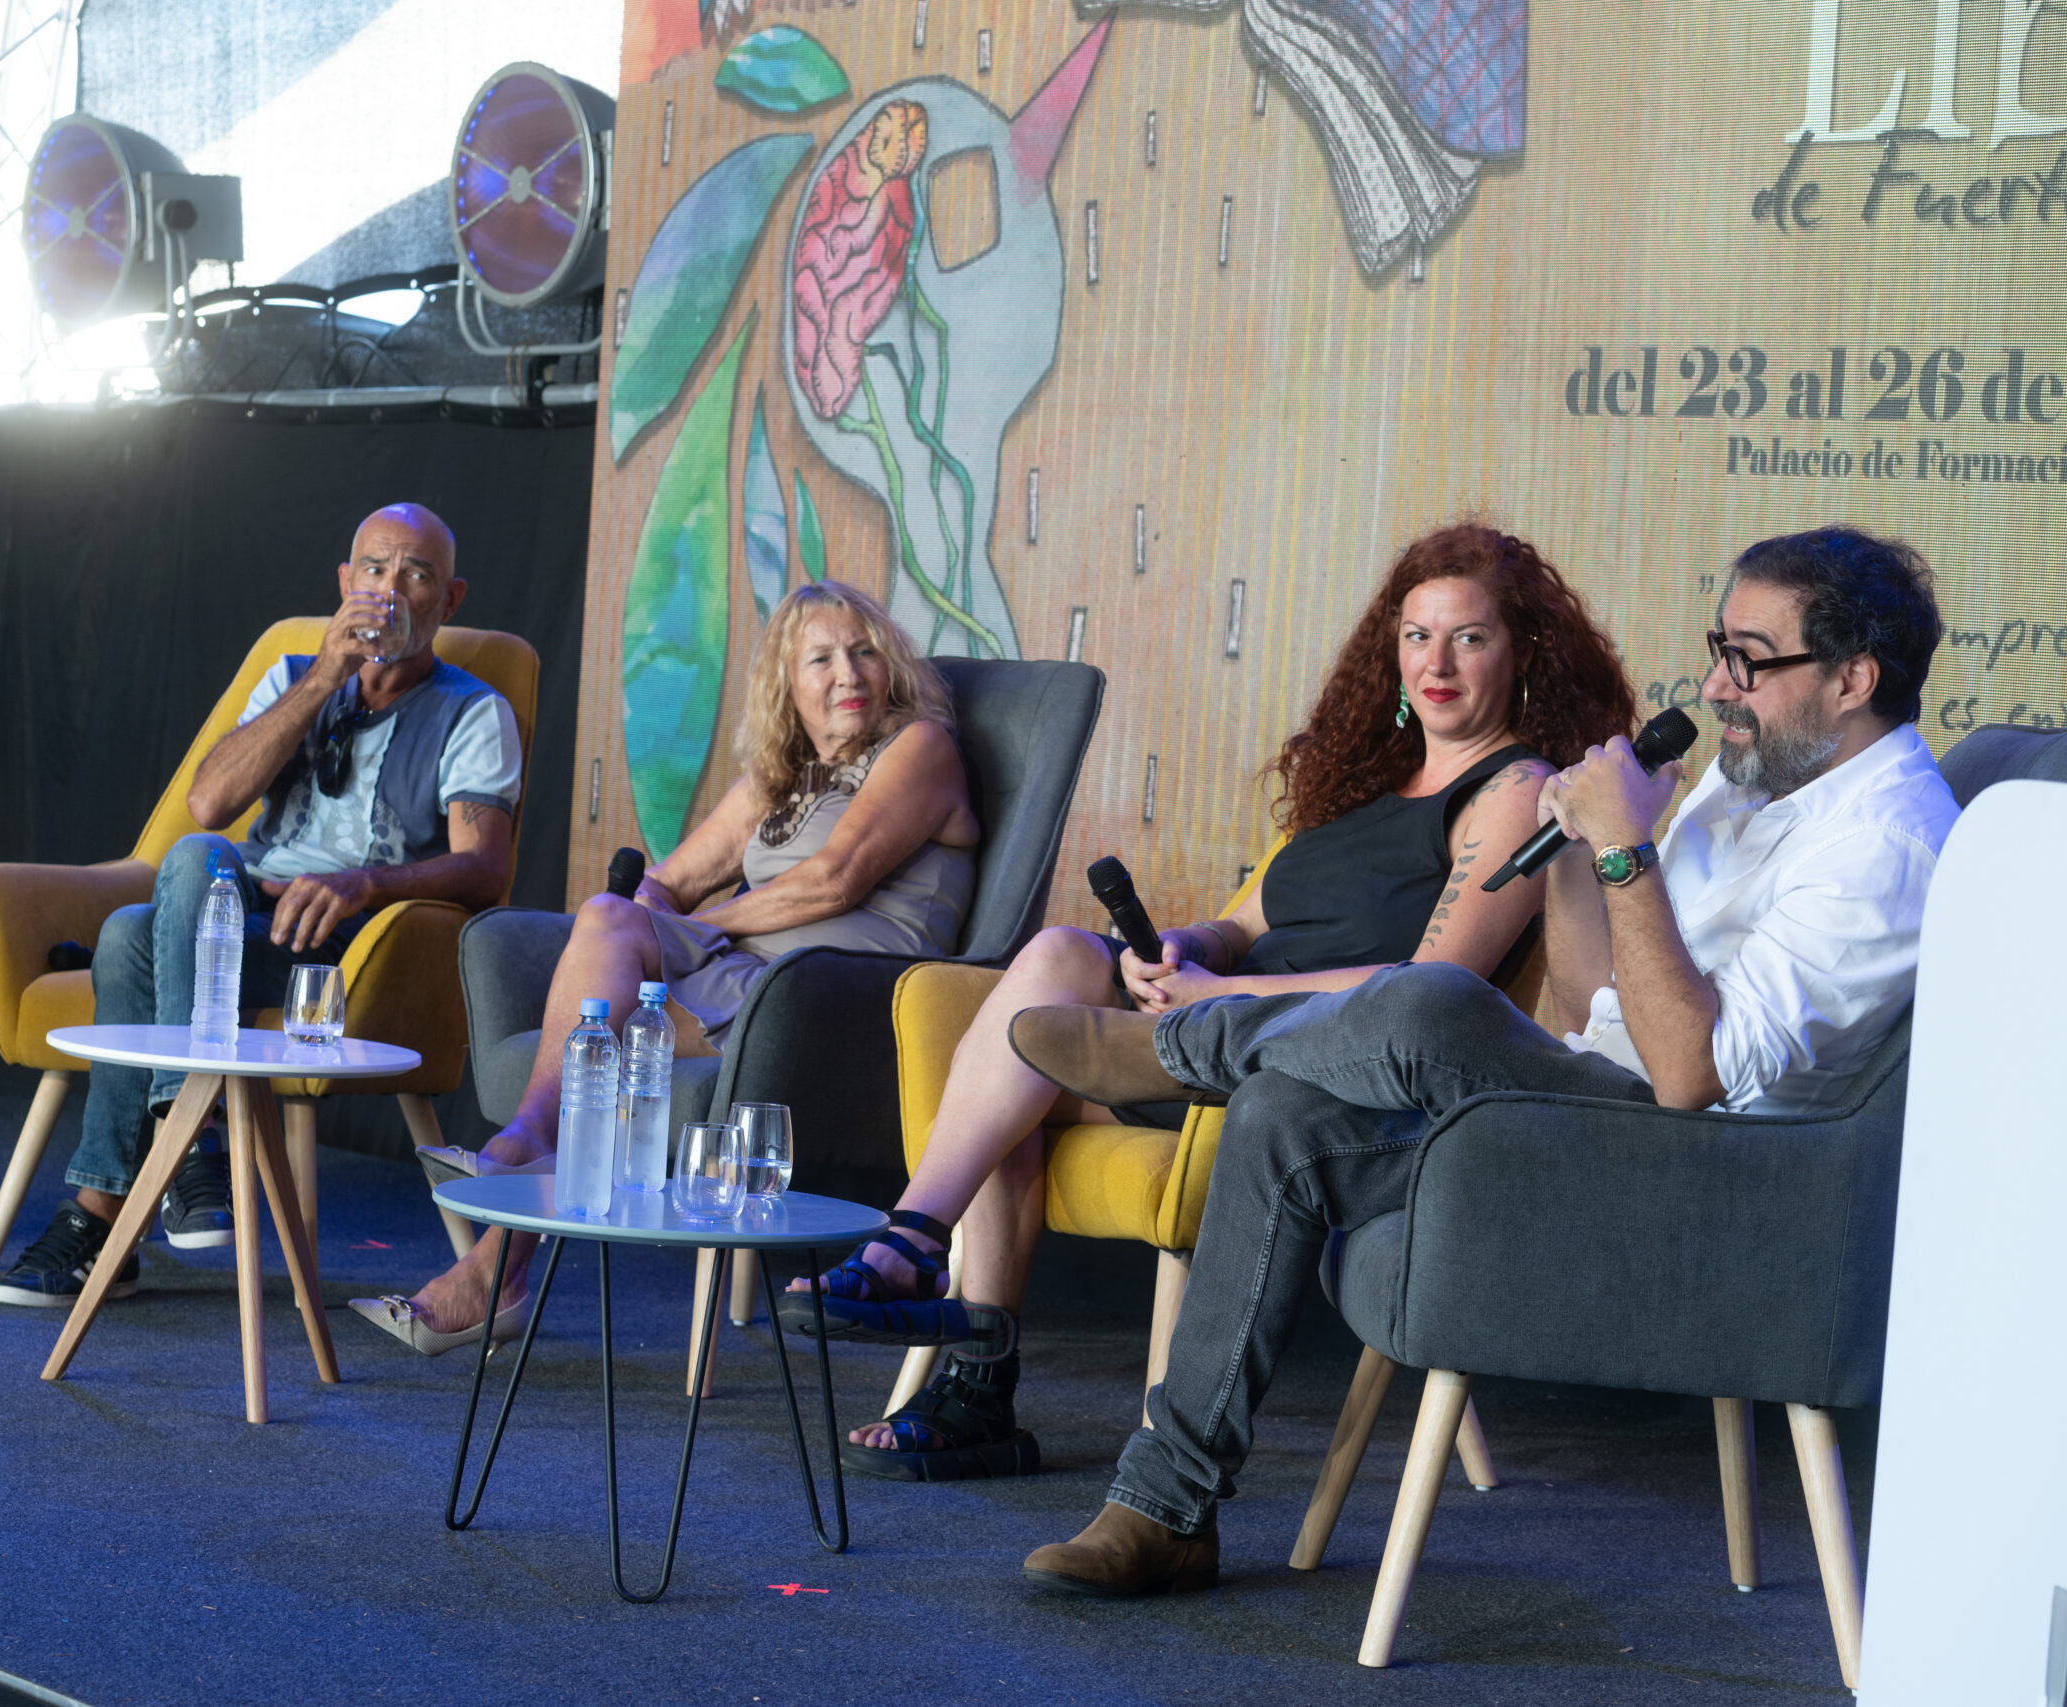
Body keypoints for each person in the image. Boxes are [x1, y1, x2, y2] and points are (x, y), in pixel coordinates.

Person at [1010, 524, 1955, 1597]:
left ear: (1852, 679)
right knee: (1281, 1115)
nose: (1713, 686)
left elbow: (1693, 1076)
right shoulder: (1758, 782)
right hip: (1607, 1110)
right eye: (1716, 649)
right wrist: (1577, 855)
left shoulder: (1887, 844)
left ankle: (1184, 1047)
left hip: (1710, 1180)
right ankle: (1165, 1508)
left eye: (1748, 659)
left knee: (1432, 1000)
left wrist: (1627, 849)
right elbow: (1592, 1007)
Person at [775, 524, 1638, 1481]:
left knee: (1016, 1069)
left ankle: (955, 1342)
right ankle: (923, 1256)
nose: (1436, 663)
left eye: (1468, 638)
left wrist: (1224, 993)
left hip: (1311, 1060)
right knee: (1058, 962)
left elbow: (1431, 985)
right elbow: (1239, 923)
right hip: (1208, 1014)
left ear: (1522, 653)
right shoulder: (1365, 780)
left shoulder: (1515, 789)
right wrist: (1187, 949)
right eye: (1416, 636)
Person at [351, 578, 980, 1354]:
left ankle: (508, 1194)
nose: (846, 674)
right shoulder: (780, 781)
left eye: (863, 652)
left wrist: (691, 929)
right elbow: (667, 882)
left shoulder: (920, 748)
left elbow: (835, 880)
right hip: (748, 988)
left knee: (614, 1014)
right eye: (820, 659)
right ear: (788, 686)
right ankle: (498, 1241)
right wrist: (650, 918)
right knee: (612, 955)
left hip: (837, 999)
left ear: (891, 665)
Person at [0, 503, 521, 1305]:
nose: (390, 591)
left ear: (449, 599)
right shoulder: (294, 676)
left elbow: (486, 868)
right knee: (180, 873)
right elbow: (210, 802)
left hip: (348, 945)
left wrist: (364, 883)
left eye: (416, 574)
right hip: (243, 911)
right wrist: (325, 677)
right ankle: (188, 1147)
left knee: (132, 933)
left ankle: (102, 1213)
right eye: (374, 569)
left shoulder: (473, 711)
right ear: (344, 582)